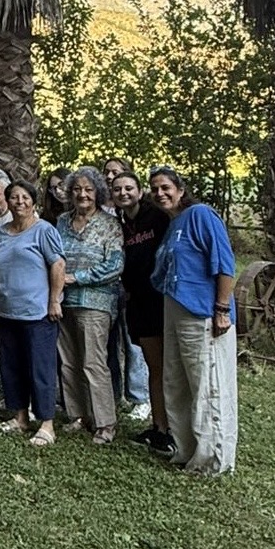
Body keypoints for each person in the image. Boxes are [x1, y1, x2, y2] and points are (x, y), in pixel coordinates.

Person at [149, 166, 237, 475]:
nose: (160, 193)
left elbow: (224, 263)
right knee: (177, 383)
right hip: (174, 309)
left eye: (165, 187)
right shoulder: (173, 224)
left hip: (202, 311)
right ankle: (186, 451)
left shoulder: (201, 215)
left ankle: (212, 459)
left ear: (180, 189)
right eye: (155, 189)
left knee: (206, 385)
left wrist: (221, 309)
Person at [0, 180, 65, 446]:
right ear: (7, 201)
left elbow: (58, 264)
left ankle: (46, 424)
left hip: (38, 313)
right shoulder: (1, 232)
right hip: (6, 310)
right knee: (11, 366)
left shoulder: (43, 230)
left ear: (34, 201)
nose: (19, 202)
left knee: (40, 368)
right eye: (14, 197)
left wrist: (54, 301)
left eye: (25, 197)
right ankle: (20, 416)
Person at [56, 166, 124, 445]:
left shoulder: (109, 224)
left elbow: (115, 265)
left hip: (96, 302)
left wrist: (77, 278)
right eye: (76, 189)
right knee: (68, 360)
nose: (82, 194)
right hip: (63, 301)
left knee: (93, 363)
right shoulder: (62, 221)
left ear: (98, 192)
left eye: (88, 189)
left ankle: (105, 422)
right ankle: (77, 415)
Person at [112, 171, 174, 455]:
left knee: (170, 367)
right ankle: (158, 427)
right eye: (117, 189)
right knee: (154, 366)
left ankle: (175, 429)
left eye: (129, 188)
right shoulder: (120, 224)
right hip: (138, 303)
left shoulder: (158, 217)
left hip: (163, 300)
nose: (123, 193)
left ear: (139, 191)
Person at [101, 157, 150, 420]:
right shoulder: (105, 210)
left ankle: (140, 397)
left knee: (133, 344)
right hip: (109, 287)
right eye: (107, 173)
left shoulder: (146, 215)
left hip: (135, 290)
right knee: (109, 344)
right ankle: (112, 394)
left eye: (116, 173)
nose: (110, 177)